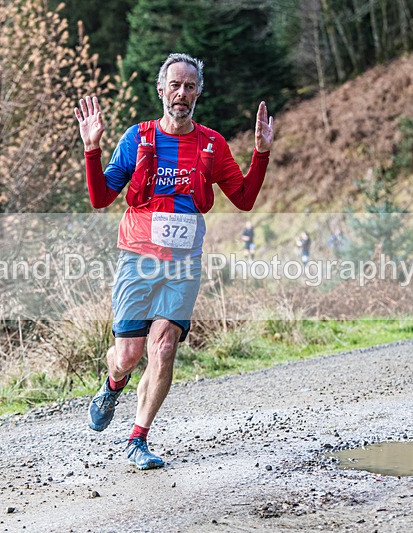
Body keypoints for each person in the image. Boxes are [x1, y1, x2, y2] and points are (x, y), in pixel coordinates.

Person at [74, 53, 274, 469]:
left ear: (198, 92)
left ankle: (137, 439)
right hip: (138, 258)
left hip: (183, 263)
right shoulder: (138, 137)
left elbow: (244, 199)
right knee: (128, 356)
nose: (182, 93)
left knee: (163, 346)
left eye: (190, 86)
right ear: (161, 90)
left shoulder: (212, 144)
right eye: (175, 85)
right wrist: (92, 149)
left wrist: (261, 155)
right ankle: (113, 384)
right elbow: (99, 198)